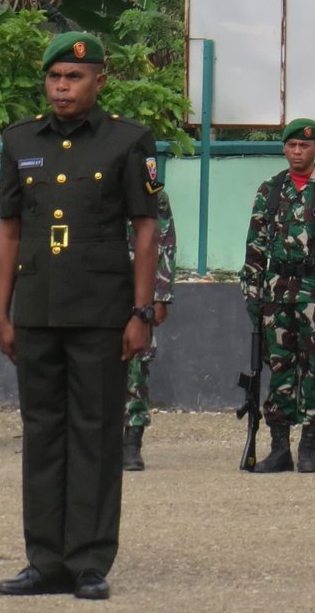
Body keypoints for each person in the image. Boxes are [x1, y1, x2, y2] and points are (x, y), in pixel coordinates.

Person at [0, 33, 161, 601]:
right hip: (37, 310)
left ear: (98, 82)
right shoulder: (20, 142)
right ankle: (44, 561)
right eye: (55, 77)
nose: (62, 87)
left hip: (102, 313)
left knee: (94, 433)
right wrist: (3, 311)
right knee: (42, 434)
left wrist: (141, 312)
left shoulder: (128, 141)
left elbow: (144, 230)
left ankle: (88, 561)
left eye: (74, 77)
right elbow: (10, 230)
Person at [239, 119, 315, 475]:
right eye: (291, 146)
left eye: (304, 146)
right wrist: (252, 292)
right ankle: (279, 447)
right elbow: (255, 246)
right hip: (277, 290)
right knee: (281, 368)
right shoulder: (270, 190)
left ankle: (309, 447)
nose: (297, 152)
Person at [123, 189, 175, 472]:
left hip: (138, 291)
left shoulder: (150, 192)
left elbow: (165, 242)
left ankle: (132, 440)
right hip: (95, 287)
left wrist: (162, 296)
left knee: (136, 366)